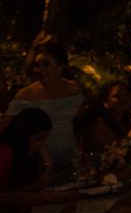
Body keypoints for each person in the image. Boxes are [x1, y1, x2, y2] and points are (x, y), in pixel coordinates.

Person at [4, 42, 83, 173]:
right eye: (37, 65)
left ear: (60, 66)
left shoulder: (73, 89)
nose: (40, 70)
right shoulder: (26, 95)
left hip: (68, 161)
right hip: (36, 164)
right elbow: (6, 128)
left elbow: (80, 122)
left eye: (46, 64)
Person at [0, 108, 54, 191]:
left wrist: (48, 164)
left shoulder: (30, 155)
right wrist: (38, 184)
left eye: (43, 139)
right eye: (37, 139)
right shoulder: (4, 152)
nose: (41, 144)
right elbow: (4, 196)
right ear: (23, 135)